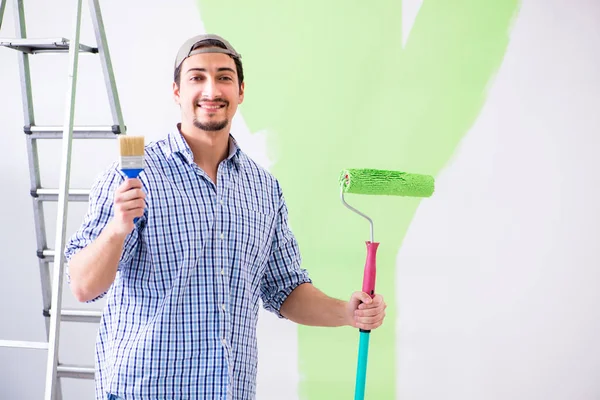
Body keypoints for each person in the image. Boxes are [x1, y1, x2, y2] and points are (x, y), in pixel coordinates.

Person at [64, 33, 387, 400]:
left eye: (224, 77)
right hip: (144, 390)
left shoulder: (263, 188)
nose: (211, 89)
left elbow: (285, 289)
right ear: (176, 91)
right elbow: (83, 286)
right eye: (197, 77)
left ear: (241, 91)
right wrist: (117, 228)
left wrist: (347, 312)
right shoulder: (133, 178)